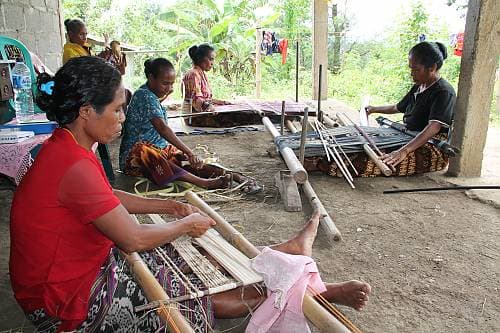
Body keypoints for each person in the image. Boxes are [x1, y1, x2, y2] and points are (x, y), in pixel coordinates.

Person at [10, 56, 371, 332]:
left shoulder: (67, 148)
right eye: (118, 109)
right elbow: (133, 237)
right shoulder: (73, 163)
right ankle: (310, 294)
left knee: (184, 262)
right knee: (188, 292)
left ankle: (285, 261)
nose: (123, 117)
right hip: (64, 306)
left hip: (65, 281)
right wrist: (184, 225)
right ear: (87, 112)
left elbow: (109, 198)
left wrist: (170, 204)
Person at [310, 41, 456, 177]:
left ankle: (316, 163)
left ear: (432, 68)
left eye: (416, 70)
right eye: (411, 69)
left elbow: (434, 127)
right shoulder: (419, 86)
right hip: (406, 136)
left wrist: (404, 151)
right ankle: (316, 159)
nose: (412, 74)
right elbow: (398, 107)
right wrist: (373, 109)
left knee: (375, 161)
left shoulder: (443, 92)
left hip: (430, 146)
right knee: (357, 145)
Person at [119, 57, 260, 192]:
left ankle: (234, 176)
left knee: (185, 160)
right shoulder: (144, 96)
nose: (169, 88)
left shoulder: (150, 93)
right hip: (134, 159)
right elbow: (162, 128)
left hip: (159, 149)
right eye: (165, 83)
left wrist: (188, 155)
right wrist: (189, 151)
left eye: (172, 84)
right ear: (151, 78)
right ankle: (205, 183)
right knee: (145, 152)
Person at [182, 44, 262, 127]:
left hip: (200, 114)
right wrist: (209, 106)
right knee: (242, 116)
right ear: (200, 59)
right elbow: (195, 99)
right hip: (194, 118)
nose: (212, 63)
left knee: (243, 113)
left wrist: (222, 102)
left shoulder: (201, 74)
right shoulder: (193, 75)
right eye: (211, 59)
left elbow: (205, 98)